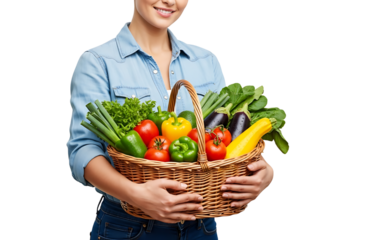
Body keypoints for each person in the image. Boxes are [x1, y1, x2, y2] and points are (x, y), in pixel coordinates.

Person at [66, 0, 275, 239]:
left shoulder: (206, 61)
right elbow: (82, 151)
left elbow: (229, 140)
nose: (170, 1)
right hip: (129, 225)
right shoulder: (96, 62)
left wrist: (265, 172)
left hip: (202, 225)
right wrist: (135, 194)